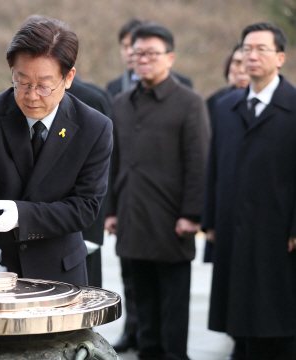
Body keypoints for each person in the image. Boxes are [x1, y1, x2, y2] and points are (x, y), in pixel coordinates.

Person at [0, 19, 113, 286]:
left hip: (57, 270)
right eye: (21, 83)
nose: (32, 96)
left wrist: (22, 215)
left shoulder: (94, 127)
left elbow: (86, 206)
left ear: (68, 78)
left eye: (45, 86)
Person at [106, 22, 209, 360]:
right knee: (141, 298)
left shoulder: (189, 103)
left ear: (171, 57)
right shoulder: (120, 103)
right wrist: (111, 210)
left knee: (173, 301)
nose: (143, 59)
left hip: (171, 220)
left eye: (152, 53)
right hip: (133, 216)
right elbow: (113, 160)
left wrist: (192, 214)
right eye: (138, 53)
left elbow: (199, 163)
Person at [204, 22, 296, 360]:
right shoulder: (226, 107)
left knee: (277, 311)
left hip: (279, 228)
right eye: (246, 49)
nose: (251, 56)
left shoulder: (293, 105)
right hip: (233, 225)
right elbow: (214, 166)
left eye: (261, 49)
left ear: (281, 57)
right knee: (238, 305)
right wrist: (210, 219)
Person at [203, 45, 250, 264]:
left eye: (246, 63)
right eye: (236, 63)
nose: (242, 70)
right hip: (225, 203)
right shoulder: (216, 103)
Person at [66, 75, 111, 288]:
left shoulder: (90, 99)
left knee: (83, 295)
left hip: (81, 222)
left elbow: (102, 165)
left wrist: (92, 232)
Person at [106, 18, 193, 99]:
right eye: (125, 47)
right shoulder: (113, 87)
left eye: (133, 47)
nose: (129, 52)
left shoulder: (183, 84)